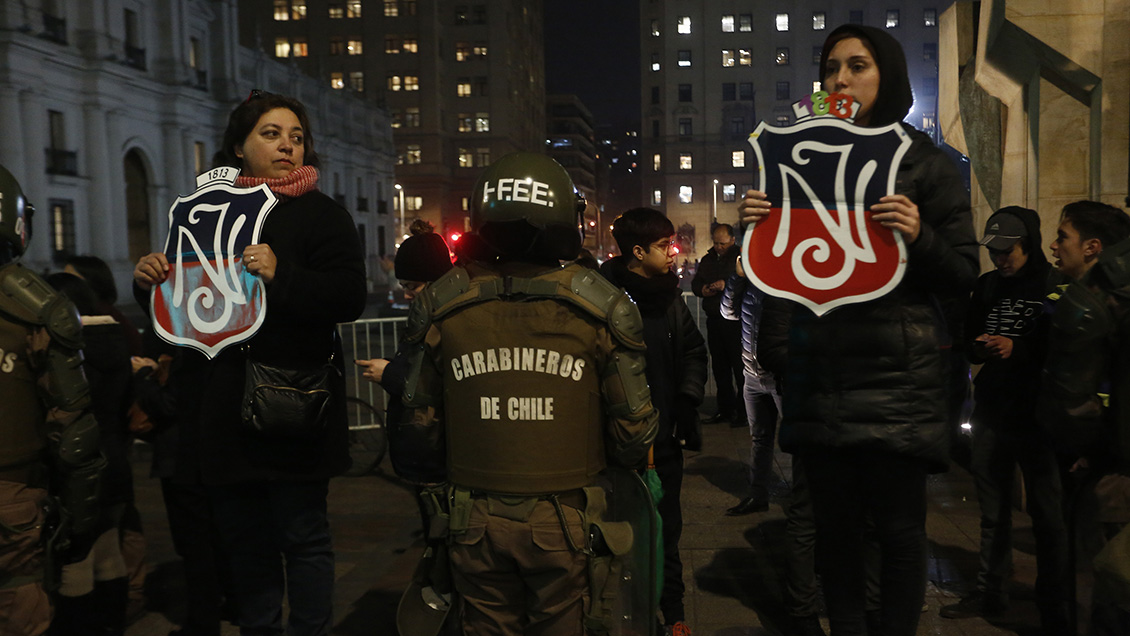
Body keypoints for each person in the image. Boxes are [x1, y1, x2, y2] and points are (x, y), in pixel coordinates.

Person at [741, 24, 978, 636]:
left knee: (899, 531)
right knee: (835, 530)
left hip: (899, 379)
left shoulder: (924, 162)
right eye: (830, 69)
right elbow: (782, 276)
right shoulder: (801, 155)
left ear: (889, 76)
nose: (840, 80)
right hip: (822, 372)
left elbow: (962, 274)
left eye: (857, 66)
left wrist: (919, 234)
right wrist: (759, 230)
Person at [388, 152, 658, 636]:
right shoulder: (603, 307)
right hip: (566, 517)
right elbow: (632, 435)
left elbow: (417, 429)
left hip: (472, 518)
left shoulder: (439, 303)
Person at [133, 90, 366, 635]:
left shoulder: (321, 215)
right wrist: (151, 280)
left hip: (291, 407)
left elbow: (348, 297)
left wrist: (282, 274)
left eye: (297, 136)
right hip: (220, 414)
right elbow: (186, 312)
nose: (287, 145)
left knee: (304, 538)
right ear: (238, 146)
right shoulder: (201, 212)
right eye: (270, 133)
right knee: (244, 543)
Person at [938, 207, 1070, 631]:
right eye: (993, 251)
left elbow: (1063, 351)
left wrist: (1018, 349)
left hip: (1038, 416)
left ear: (1027, 244)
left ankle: (1054, 600)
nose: (1000, 258)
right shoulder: (987, 286)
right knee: (992, 511)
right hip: (993, 410)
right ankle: (991, 590)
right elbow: (968, 340)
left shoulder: (1054, 286)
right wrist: (979, 348)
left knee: (1048, 514)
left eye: (1007, 250)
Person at [0, 164, 105, 634]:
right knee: (21, 608)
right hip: (12, 497)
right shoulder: (36, 311)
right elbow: (75, 434)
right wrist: (81, 526)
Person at [599, 207, 707, 636]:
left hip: (664, 439)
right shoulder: (605, 299)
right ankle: (623, 615)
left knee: (669, 531)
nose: (672, 252)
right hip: (617, 445)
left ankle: (673, 614)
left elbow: (694, 352)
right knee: (619, 535)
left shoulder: (670, 299)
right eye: (664, 246)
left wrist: (687, 399)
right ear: (638, 251)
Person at [1039, 202, 1130, 636]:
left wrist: (1091, 451)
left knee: (1113, 588)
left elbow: (1071, 403)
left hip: (1118, 474)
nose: (1054, 246)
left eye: (1063, 236)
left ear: (1093, 247)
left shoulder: (1091, 300)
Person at [44, 273, 134, 636]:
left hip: (80, 465)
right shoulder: (115, 338)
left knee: (75, 556)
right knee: (108, 549)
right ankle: (112, 626)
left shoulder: (70, 348)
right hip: (115, 459)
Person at [355, 221, 452, 389]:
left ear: (435, 282)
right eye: (404, 286)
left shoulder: (449, 323)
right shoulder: (427, 317)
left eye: (412, 286)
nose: (406, 295)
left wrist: (388, 373)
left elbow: (434, 385)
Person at [720, 260, 779, 517]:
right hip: (752, 377)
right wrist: (737, 277)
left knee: (798, 441)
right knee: (760, 439)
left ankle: (807, 500)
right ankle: (758, 494)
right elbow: (727, 311)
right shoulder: (750, 286)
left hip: (779, 377)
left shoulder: (785, 289)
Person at [691, 224, 744, 425]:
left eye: (722, 243)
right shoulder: (708, 259)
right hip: (715, 319)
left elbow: (749, 283)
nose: (719, 247)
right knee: (720, 369)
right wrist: (703, 289)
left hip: (736, 321)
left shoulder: (741, 257)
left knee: (740, 369)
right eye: (715, 243)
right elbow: (696, 283)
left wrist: (726, 284)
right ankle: (725, 410)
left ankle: (743, 412)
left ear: (732, 240)